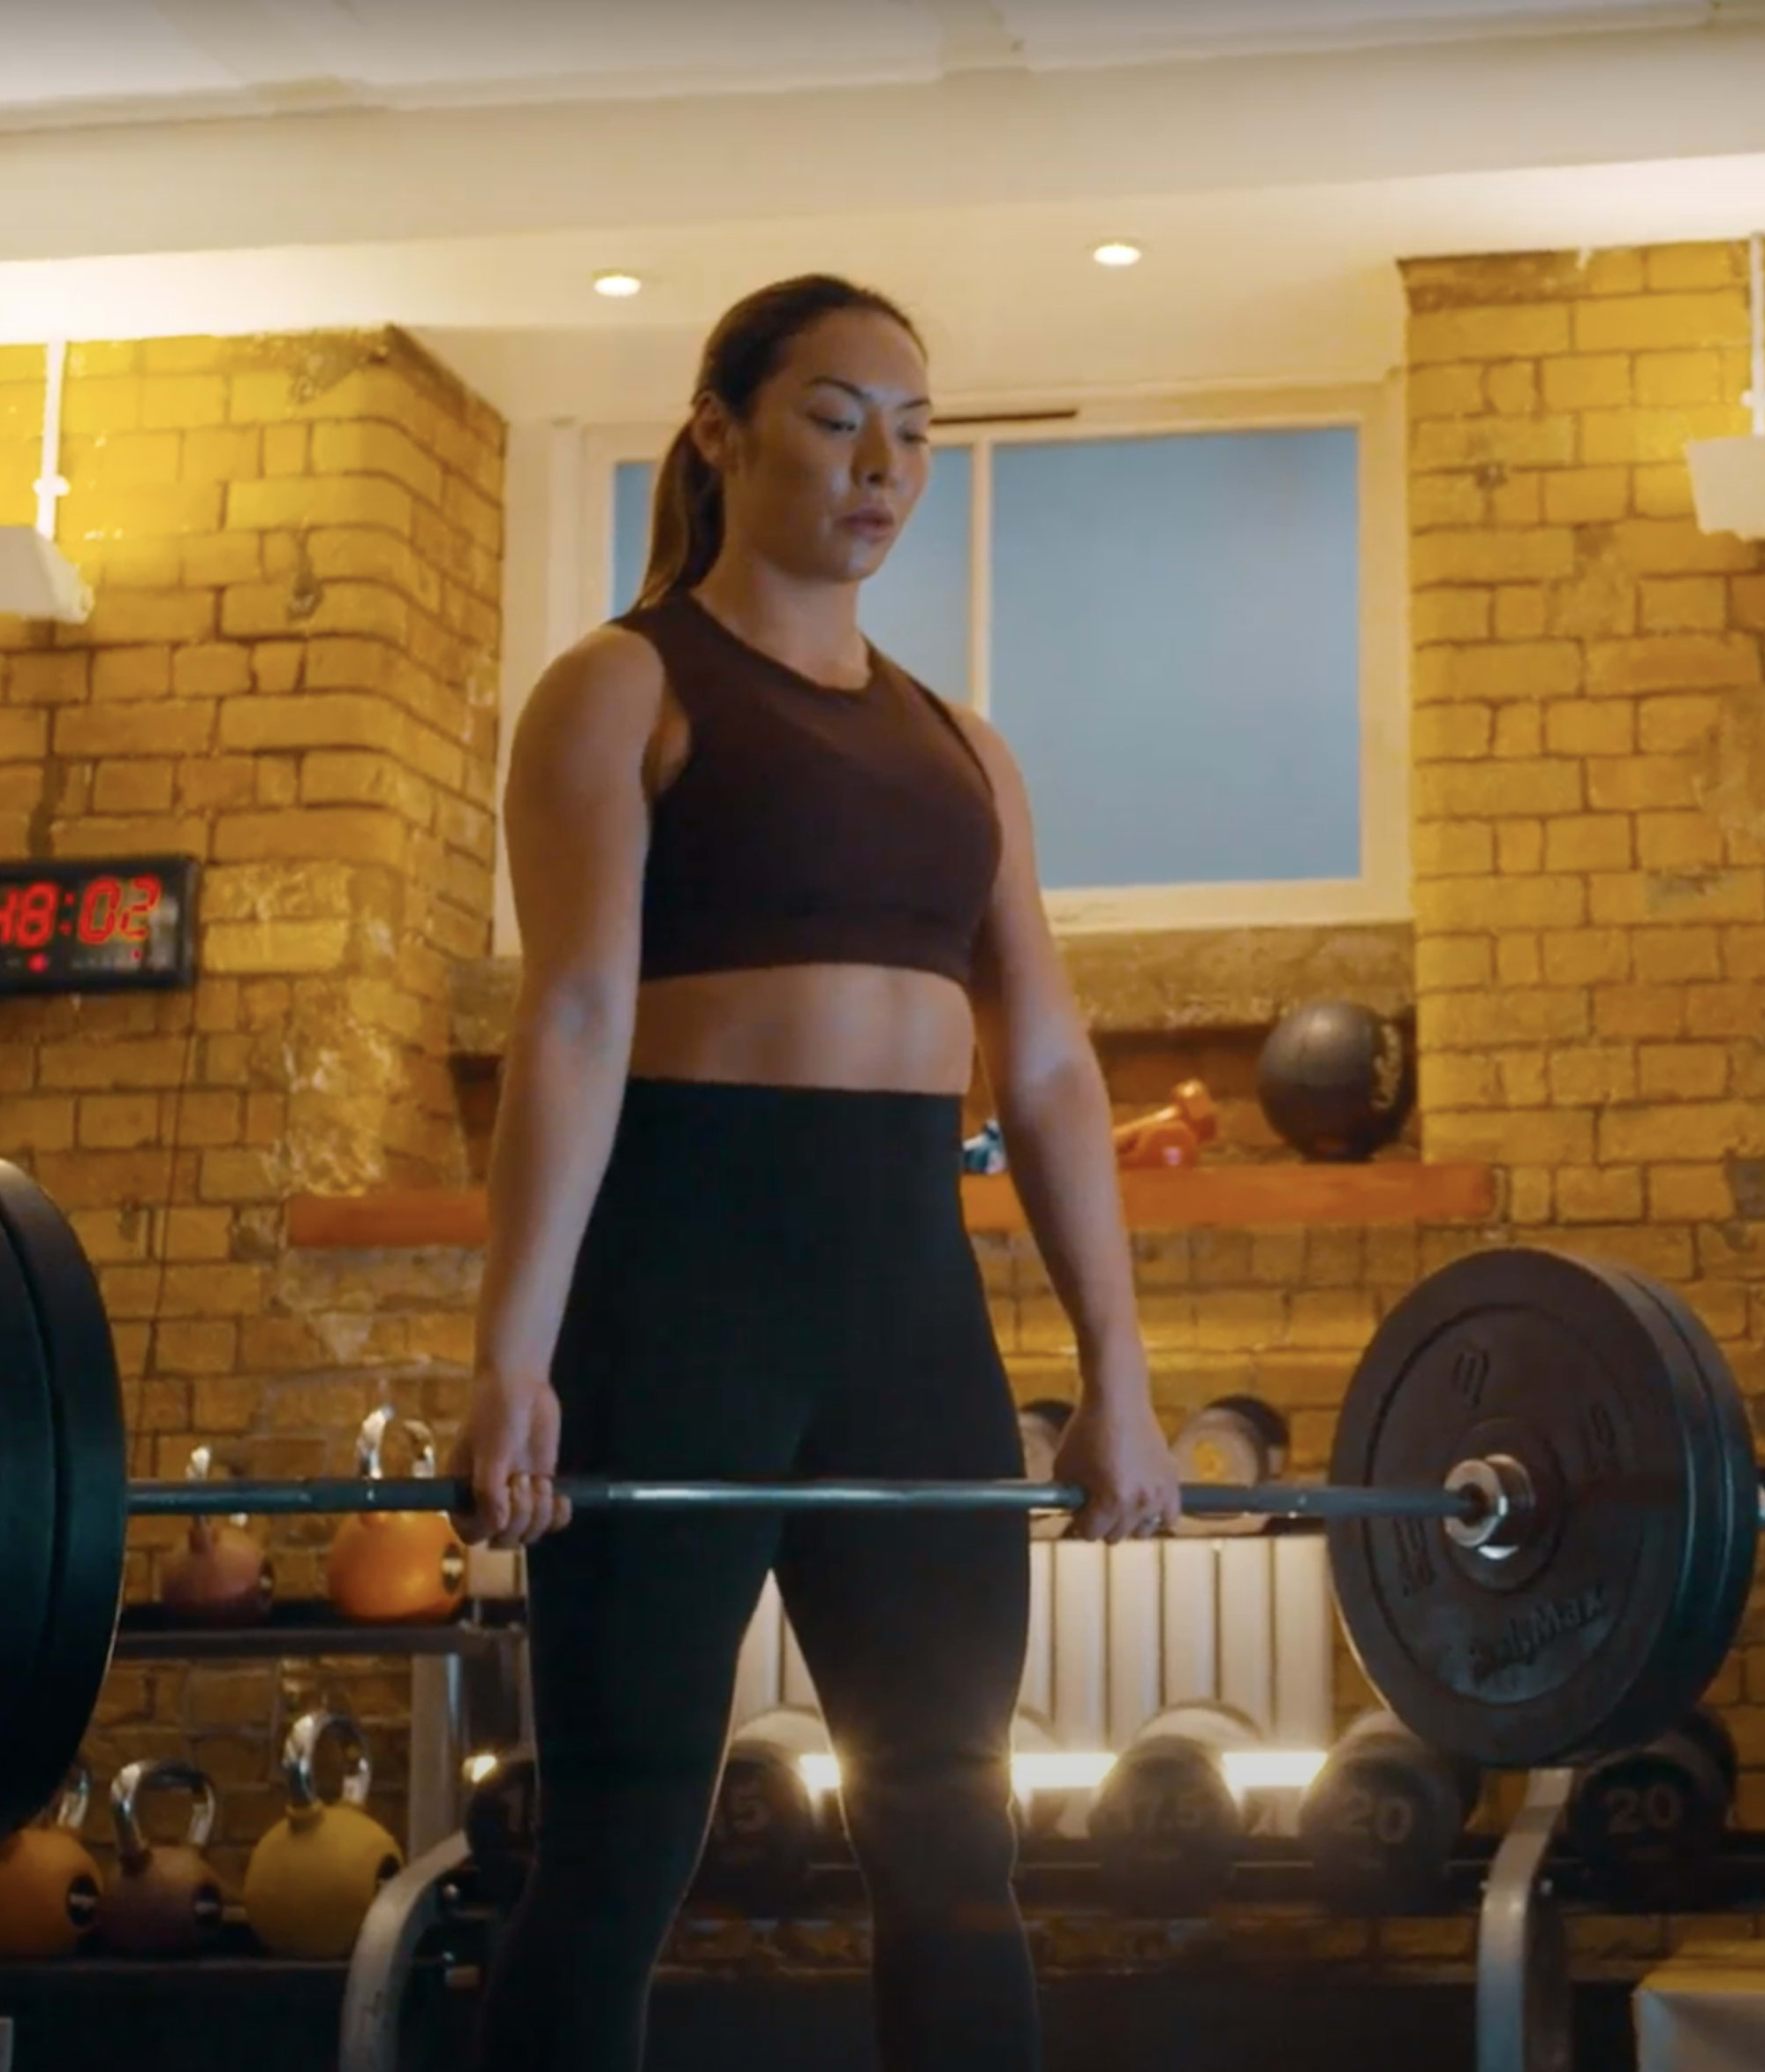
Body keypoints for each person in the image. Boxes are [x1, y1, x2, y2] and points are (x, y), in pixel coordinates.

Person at [450, 274, 1185, 2072]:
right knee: (620, 1839)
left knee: (951, 1836)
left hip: (908, 1325)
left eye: (917, 430)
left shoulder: (964, 752)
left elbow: (1053, 1065)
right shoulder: (621, 688)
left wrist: (1119, 1379)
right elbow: (570, 1024)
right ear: (721, 428)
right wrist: (512, 1357)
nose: (886, 464)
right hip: (674, 1310)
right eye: (839, 415)